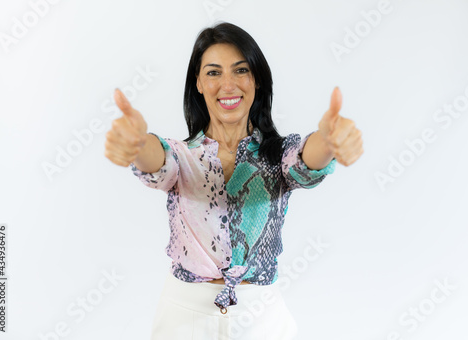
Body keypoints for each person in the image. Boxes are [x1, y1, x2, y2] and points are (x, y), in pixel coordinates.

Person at [104, 22, 363, 340]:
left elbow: (305, 161)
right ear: (198, 83)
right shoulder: (181, 156)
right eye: (213, 73)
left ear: (256, 79)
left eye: (240, 71)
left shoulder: (277, 156)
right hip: (183, 319)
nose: (228, 85)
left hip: (262, 319)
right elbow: (158, 162)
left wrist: (329, 140)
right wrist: (137, 143)